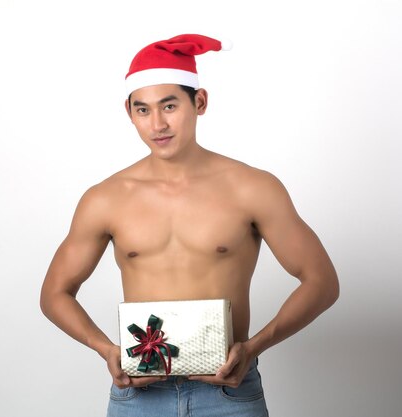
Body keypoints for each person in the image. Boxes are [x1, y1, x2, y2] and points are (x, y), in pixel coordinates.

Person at [40, 34, 339, 417]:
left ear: (199, 102)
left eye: (169, 105)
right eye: (143, 110)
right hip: (139, 395)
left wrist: (253, 348)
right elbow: (55, 293)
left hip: (228, 391)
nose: (158, 124)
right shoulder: (105, 198)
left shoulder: (252, 187)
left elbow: (321, 281)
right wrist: (107, 350)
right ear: (128, 112)